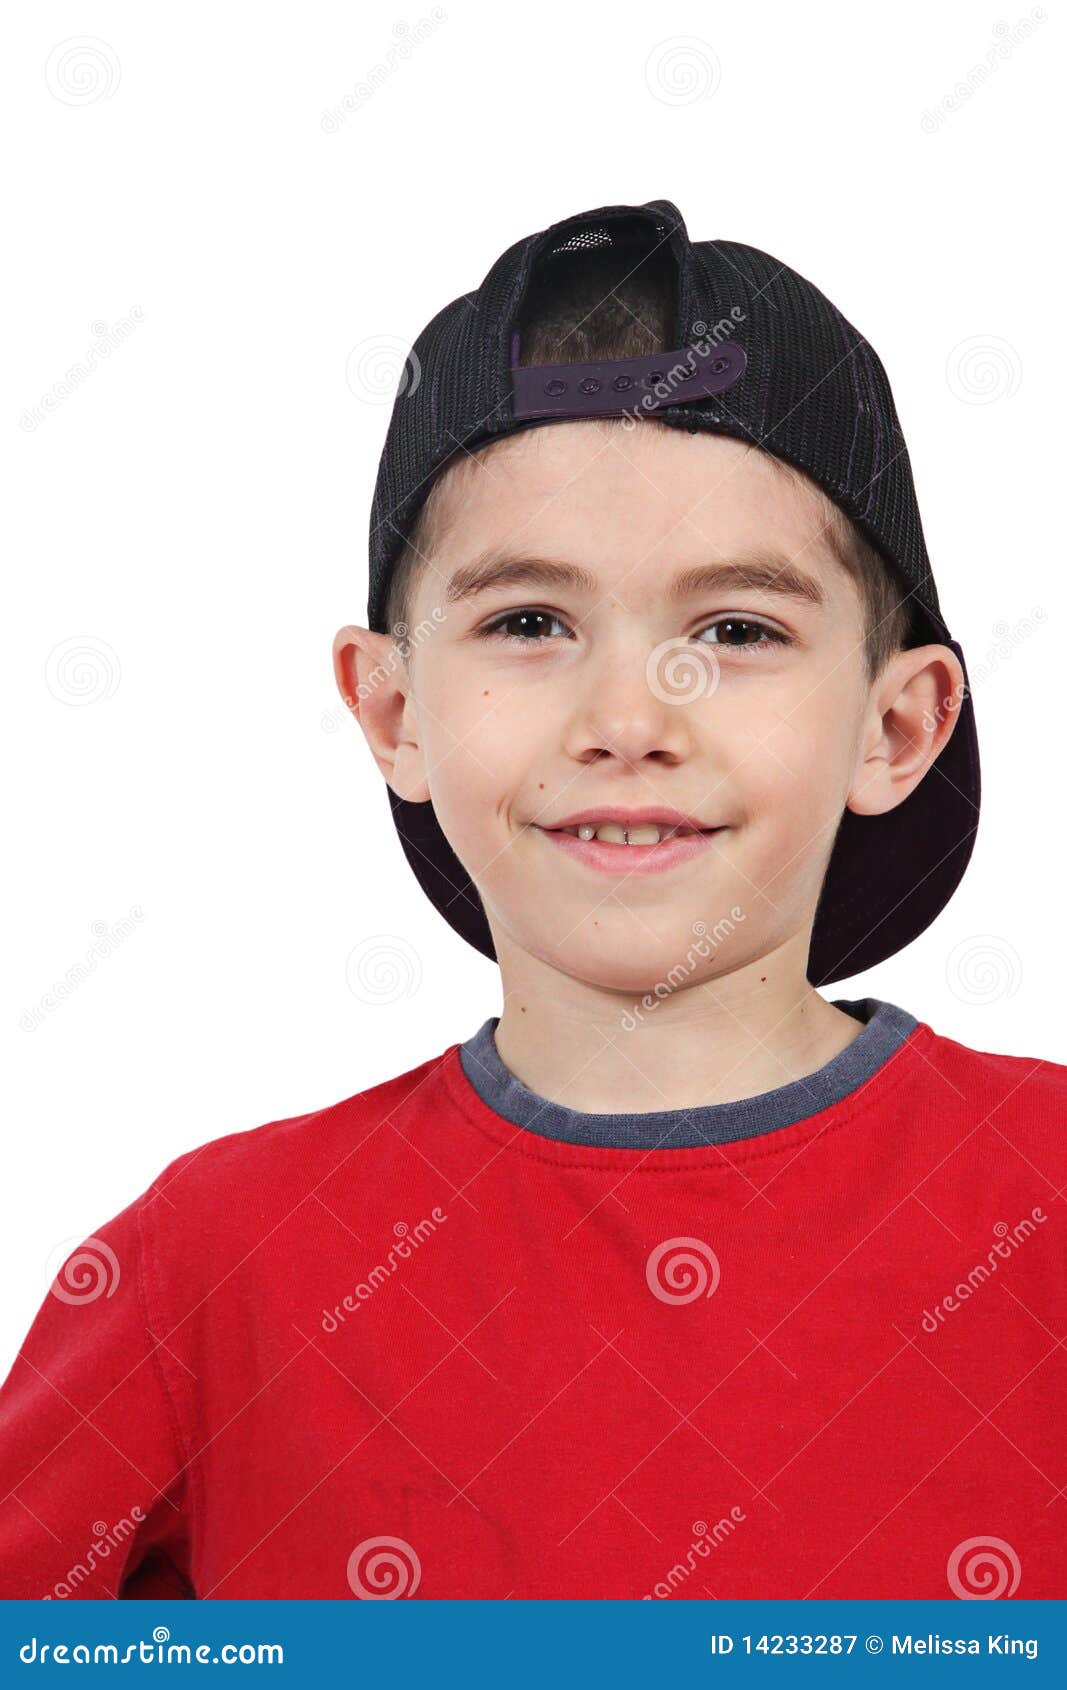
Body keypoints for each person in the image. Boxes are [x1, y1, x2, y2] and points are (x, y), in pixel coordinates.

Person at [1, 199, 1063, 1601]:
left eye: (736, 629)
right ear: (392, 711)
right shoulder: (207, 1268)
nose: (630, 715)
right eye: (529, 624)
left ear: (897, 726)